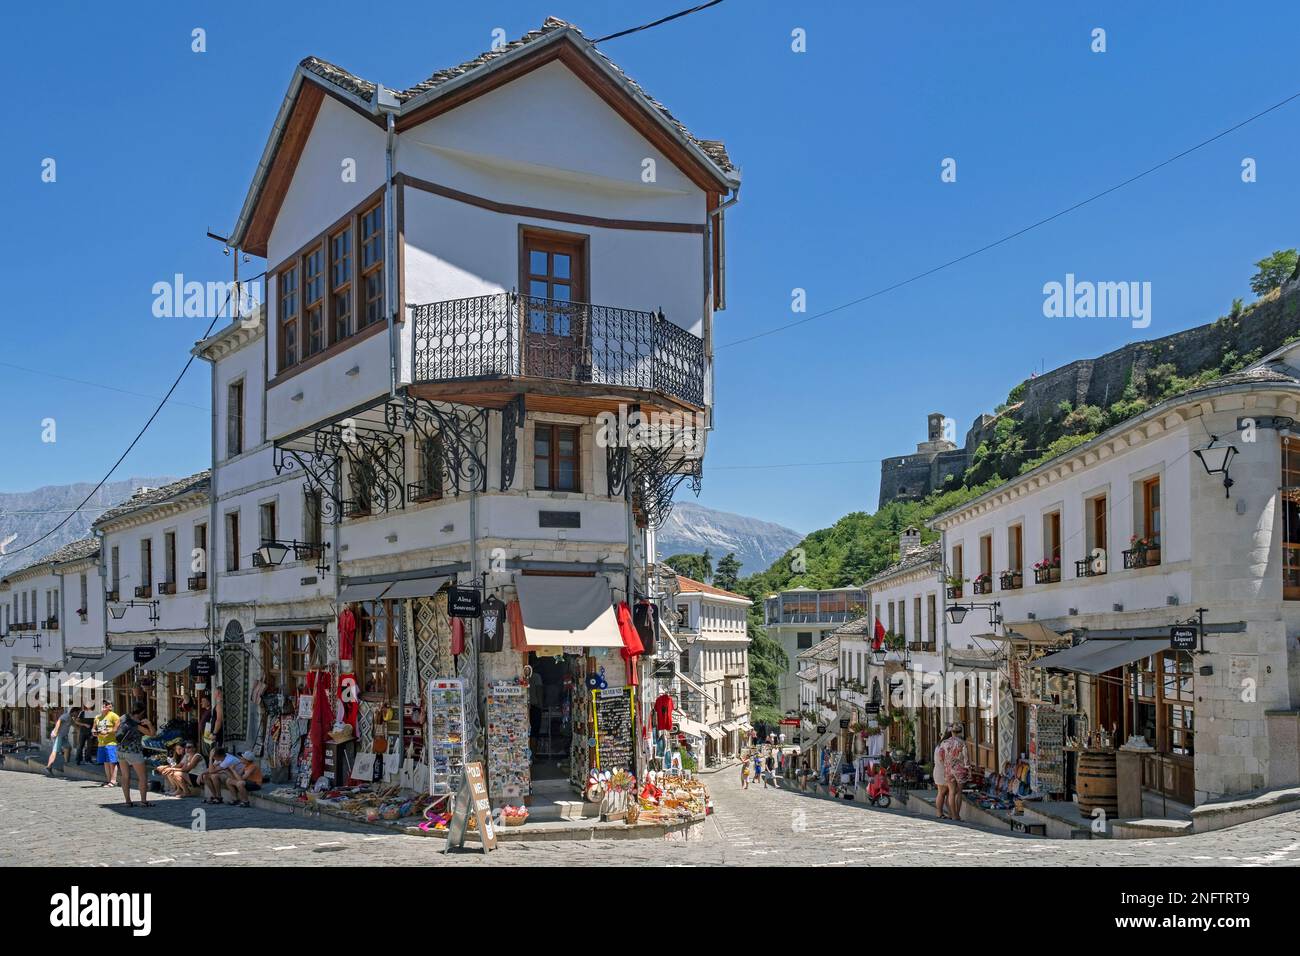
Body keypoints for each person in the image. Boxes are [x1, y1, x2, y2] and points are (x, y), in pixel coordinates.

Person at [115, 704, 155, 808]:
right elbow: (152, 734)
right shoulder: (137, 724)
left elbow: (115, 730)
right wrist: (149, 724)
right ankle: (143, 801)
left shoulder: (123, 717)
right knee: (142, 777)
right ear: (141, 712)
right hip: (134, 752)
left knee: (125, 777)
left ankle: (128, 801)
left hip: (120, 750)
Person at [937, 721, 971, 821]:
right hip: (960, 770)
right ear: (960, 732)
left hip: (948, 770)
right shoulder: (962, 743)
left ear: (951, 732)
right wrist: (969, 770)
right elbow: (966, 759)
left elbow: (940, 757)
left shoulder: (944, 743)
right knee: (959, 792)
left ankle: (953, 815)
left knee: (951, 792)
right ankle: (957, 815)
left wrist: (946, 765)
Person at [92, 700, 120, 787]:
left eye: (106, 705)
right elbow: (93, 728)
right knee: (105, 762)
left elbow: (116, 729)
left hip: (111, 742)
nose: (103, 706)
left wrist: (107, 731)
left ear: (109, 707)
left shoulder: (114, 716)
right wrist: (94, 731)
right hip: (101, 743)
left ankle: (113, 780)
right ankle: (108, 780)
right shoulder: (97, 717)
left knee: (112, 762)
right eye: (102, 705)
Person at [45, 706, 74, 775]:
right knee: (55, 751)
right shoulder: (66, 716)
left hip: (63, 736)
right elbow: (59, 721)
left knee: (68, 748)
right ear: (74, 712)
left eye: (61, 709)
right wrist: (56, 732)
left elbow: (75, 724)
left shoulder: (70, 718)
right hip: (58, 735)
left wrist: (83, 727)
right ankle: (48, 767)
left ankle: (66, 764)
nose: (61, 710)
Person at [932, 725, 951, 819]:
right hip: (943, 771)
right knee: (943, 793)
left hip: (939, 770)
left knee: (945, 793)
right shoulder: (945, 745)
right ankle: (940, 813)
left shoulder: (940, 744)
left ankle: (943, 813)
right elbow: (943, 760)